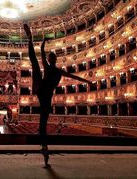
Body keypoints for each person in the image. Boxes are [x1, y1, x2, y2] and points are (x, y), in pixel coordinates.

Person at [24, 24, 92, 167]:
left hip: (41, 90)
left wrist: (42, 44)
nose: (49, 59)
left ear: (51, 60)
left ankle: (44, 148)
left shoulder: (50, 68)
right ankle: (44, 149)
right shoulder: (58, 71)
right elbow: (74, 77)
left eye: (49, 58)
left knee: (34, 63)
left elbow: (42, 54)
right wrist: (87, 81)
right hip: (45, 94)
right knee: (43, 125)